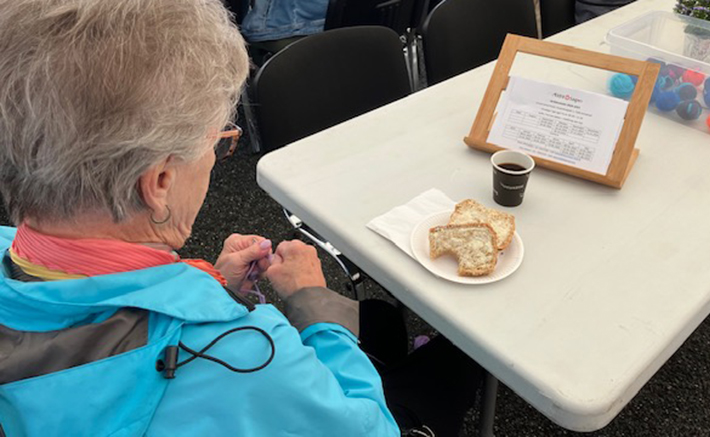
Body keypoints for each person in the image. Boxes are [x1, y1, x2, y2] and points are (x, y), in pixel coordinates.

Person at [0, 0, 481, 436]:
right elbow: (370, 428)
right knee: (460, 358)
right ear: (161, 181)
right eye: (217, 145)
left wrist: (208, 282)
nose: (214, 158)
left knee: (379, 323)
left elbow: (91, 310)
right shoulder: (246, 356)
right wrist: (315, 304)